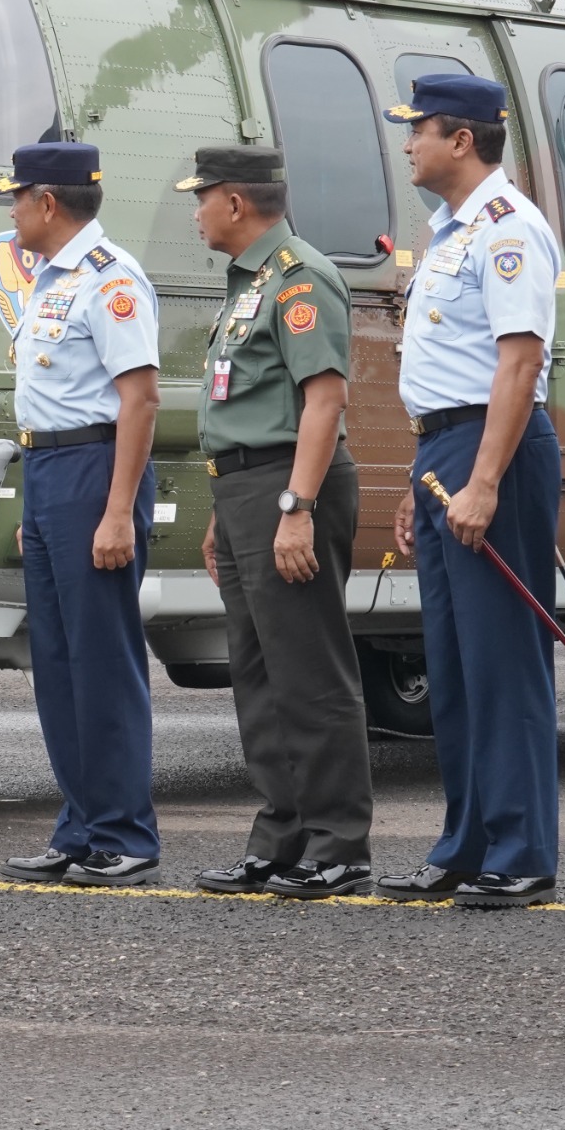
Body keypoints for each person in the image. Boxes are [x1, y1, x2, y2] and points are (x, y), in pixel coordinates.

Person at [383, 73, 565, 907]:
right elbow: (439, 374)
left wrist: (483, 481)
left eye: (418, 129)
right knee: (454, 665)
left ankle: (522, 850)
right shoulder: (451, 232)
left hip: (490, 449)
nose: (409, 142)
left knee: (503, 661)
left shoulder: (508, 229)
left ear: (461, 139)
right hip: (443, 450)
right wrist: (418, 484)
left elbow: (518, 364)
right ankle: (466, 843)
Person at [178, 145, 372, 898]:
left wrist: (295, 508)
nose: (195, 214)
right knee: (259, 674)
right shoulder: (252, 281)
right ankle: (283, 837)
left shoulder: (299, 275)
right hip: (248, 492)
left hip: (290, 488)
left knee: (310, 673)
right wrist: (226, 514)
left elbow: (325, 399)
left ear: (235, 201)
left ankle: (340, 844)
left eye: (201, 199)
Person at [0, 141, 163, 887]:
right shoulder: (50, 281)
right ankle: (82, 826)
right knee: (58, 667)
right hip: (51, 469)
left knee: (103, 664)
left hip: (97, 470)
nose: (12, 209)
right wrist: (37, 500)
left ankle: (125, 834)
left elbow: (141, 400)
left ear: (49, 203)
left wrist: (119, 510)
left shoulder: (109, 280)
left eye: (18, 196)